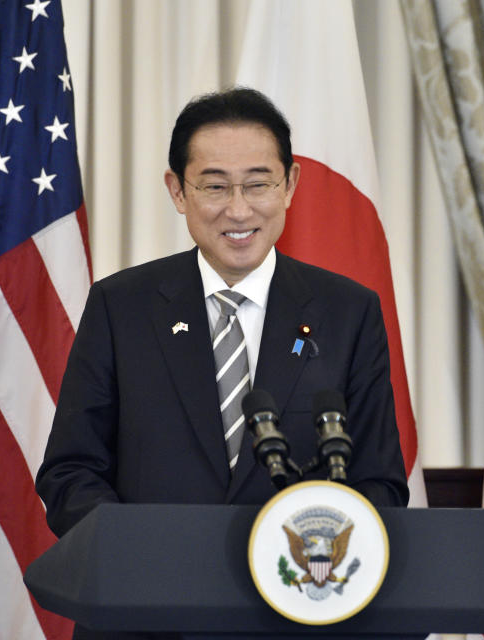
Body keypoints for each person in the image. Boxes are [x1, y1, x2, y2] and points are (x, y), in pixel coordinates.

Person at [36, 88, 409, 543]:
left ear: (290, 185)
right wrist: (132, 550)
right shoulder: (120, 307)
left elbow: (380, 483)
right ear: (177, 190)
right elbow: (70, 470)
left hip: (296, 596)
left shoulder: (349, 312)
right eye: (215, 186)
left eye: (258, 184)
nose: (238, 209)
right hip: (149, 599)